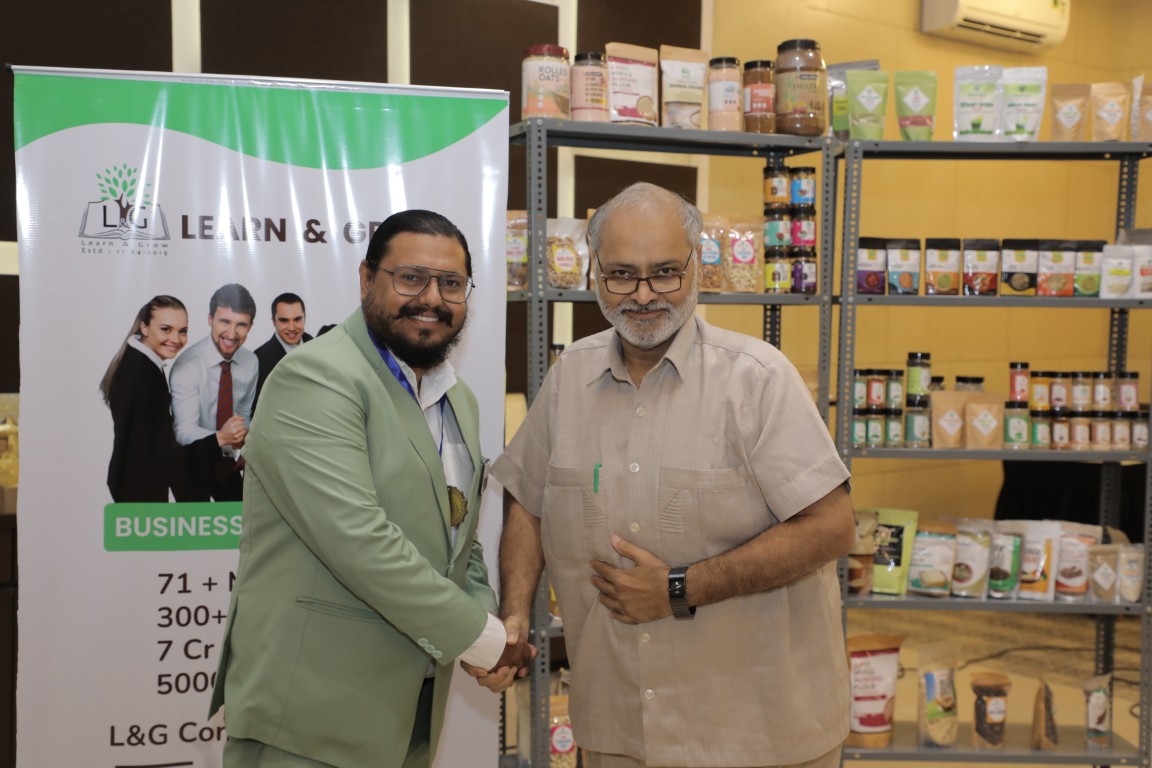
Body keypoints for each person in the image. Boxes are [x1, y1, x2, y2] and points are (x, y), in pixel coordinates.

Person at [492, 183, 856, 768]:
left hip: (757, 734)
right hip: (618, 727)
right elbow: (528, 503)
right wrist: (513, 614)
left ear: (697, 267)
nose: (643, 295)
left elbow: (832, 527)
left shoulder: (758, 379)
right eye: (621, 275)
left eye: (664, 272)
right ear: (594, 272)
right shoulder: (568, 380)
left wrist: (679, 588)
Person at [210, 209, 533, 768]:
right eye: (410, 278)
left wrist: (487, 621)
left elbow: (459, 536)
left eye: (451, 283)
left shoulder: (458, 399)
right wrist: (482, 639)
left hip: (408, 717)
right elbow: (358, 541)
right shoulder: (316, 377)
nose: (431, 298)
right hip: (309, 720)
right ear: (366, 279)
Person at [170, 283, 258, 502]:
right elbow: (183, 431)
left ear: (250, 327)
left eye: (241, 324)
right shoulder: (187, 366)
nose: (232, 333)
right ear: (210, 320)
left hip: (228, 464)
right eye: (224, 321)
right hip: (190, 462)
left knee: (240, 520)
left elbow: (243, 414)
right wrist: (223, 437)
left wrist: (247, 449)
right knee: (193, 523)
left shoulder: (251, 362)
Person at [99, 295, 189, 502]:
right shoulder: (143, 372)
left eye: (182, 331)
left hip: (134, 482)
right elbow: (156, 445)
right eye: (166, 329)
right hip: (139, 488)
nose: (176, 339)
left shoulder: (140, 363)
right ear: (145, 328)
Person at [252, 292, 313, 412]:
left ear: (304, 318)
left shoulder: (315, 343)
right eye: (284, 321)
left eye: (297, 319)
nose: (291, 328)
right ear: (273, 321)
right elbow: (258, 411)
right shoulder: (259, 359)